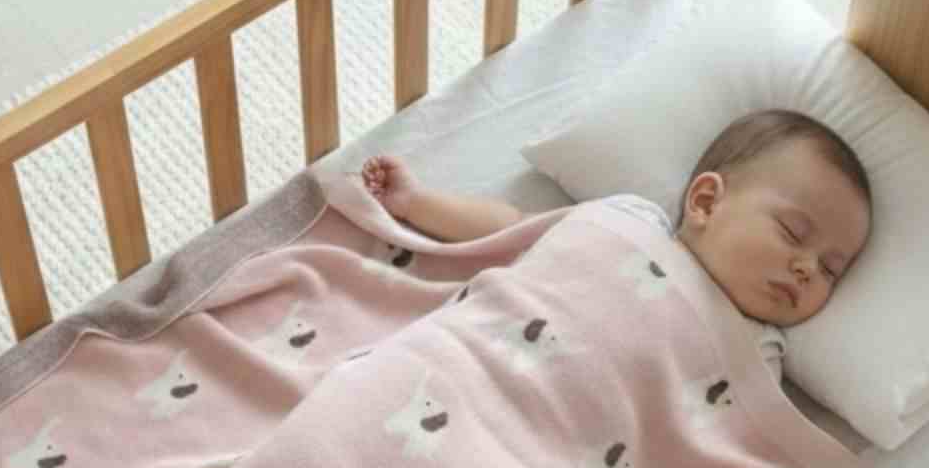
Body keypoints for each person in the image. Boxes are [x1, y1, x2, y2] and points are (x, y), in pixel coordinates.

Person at [360, 107, 871, 379]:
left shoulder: (759, 352)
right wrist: (417, 203)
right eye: (793, 233)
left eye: (831, 269)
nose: (808, 268)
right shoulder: (628, 222)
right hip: (477, 364)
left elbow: (733, 451)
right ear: (706, 202)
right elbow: (513, 227)